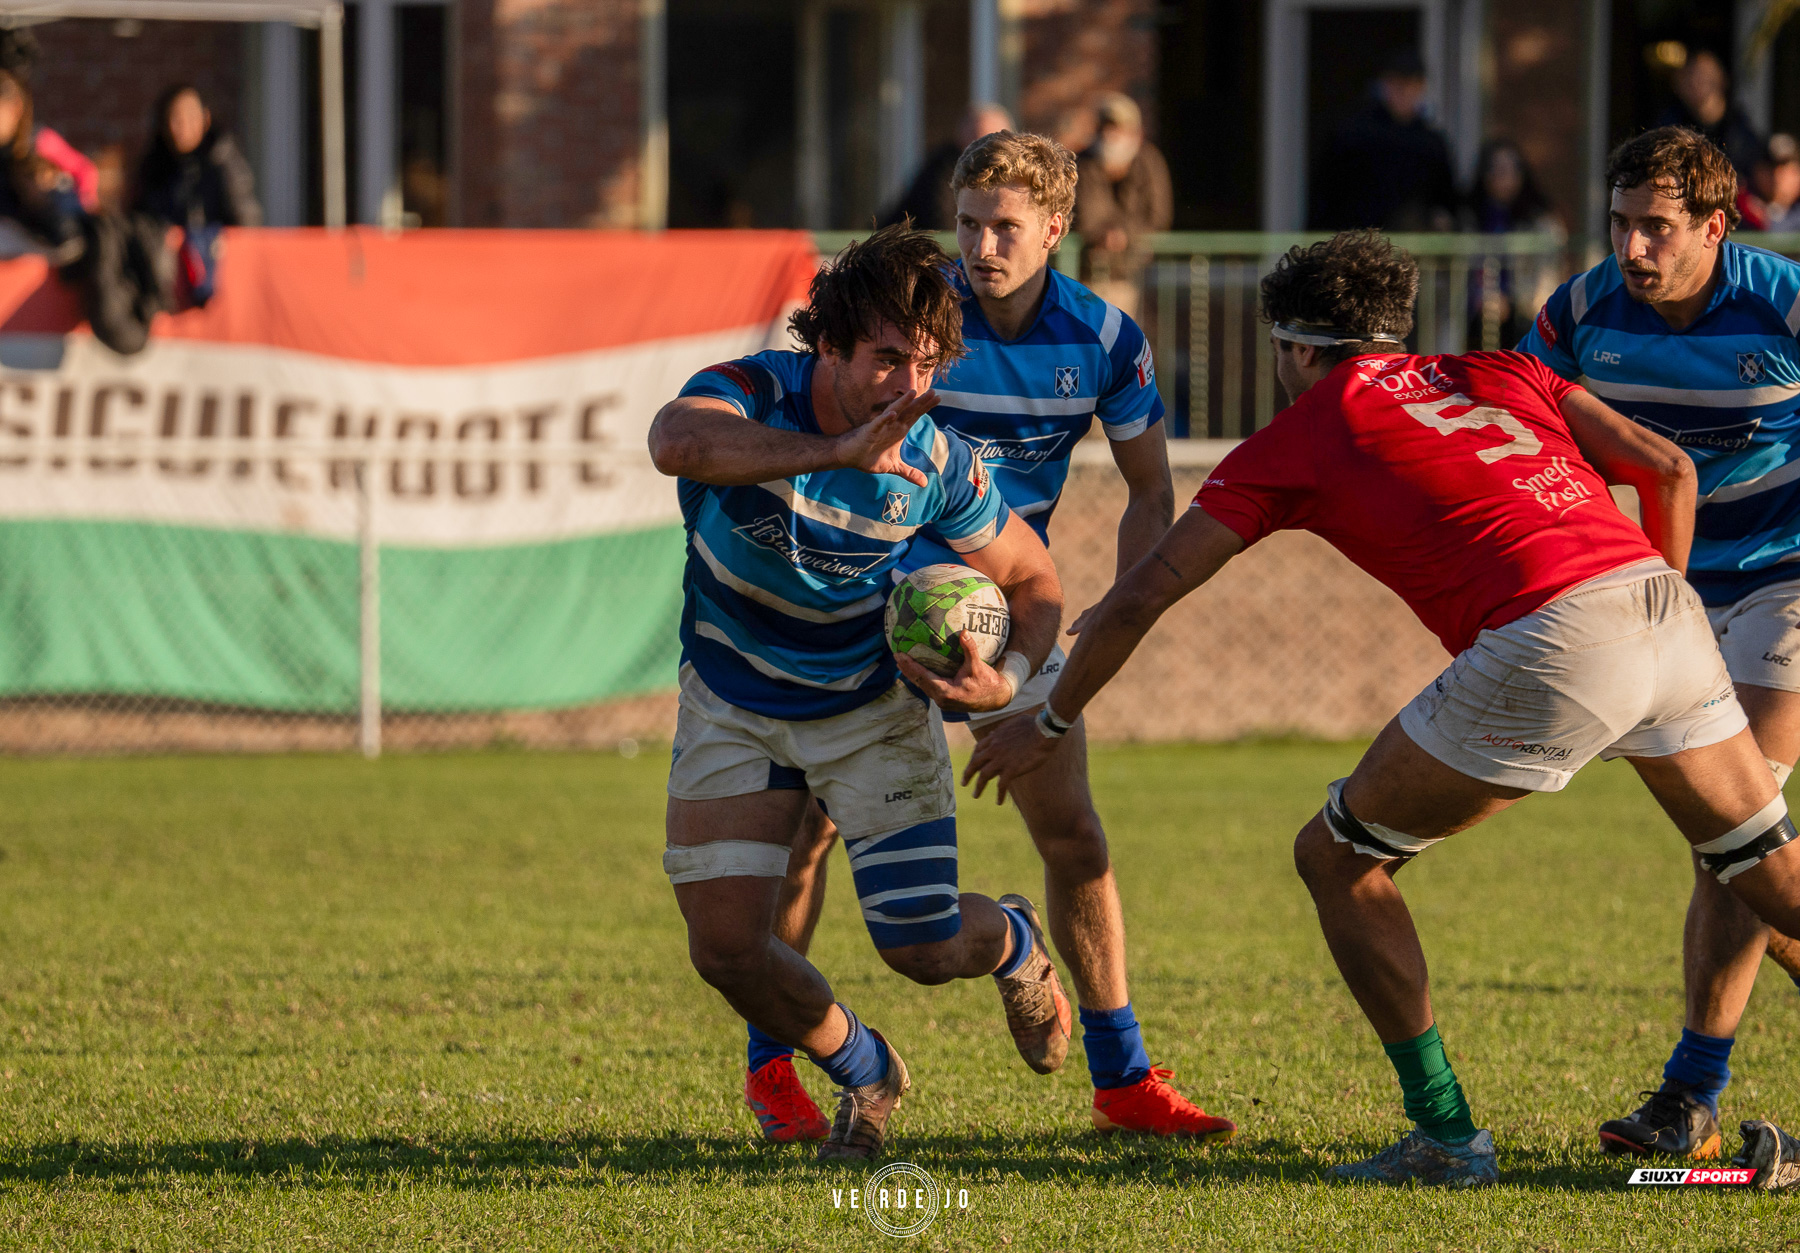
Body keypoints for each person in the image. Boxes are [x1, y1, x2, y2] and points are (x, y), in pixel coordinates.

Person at [968, 228, 1800, 1188]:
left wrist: (1054, 717)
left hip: (1557, 635)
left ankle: (1446, 1137)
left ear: (1300, 349)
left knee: (1336, 855)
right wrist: (1651, 614)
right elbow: (1667, 469)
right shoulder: (1497, 369)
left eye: (1281, 349)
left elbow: (1152, 586)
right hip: (1662, 600)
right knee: (1764, 876)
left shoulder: (1306, 428)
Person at [746, 130, 1237, 1145]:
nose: (980, 245)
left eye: (1004, 226)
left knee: (1075, 833)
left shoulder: (1105, 340)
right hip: (862, 607)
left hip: (1008, 612)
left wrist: (1120, 607)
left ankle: (1125, 1077)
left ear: (1057, 227)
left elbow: (1153, 493)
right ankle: (775, 1073)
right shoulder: (916, 320)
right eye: (966, 223)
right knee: (803, 836)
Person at [648, 224, 1072, 1162]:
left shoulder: (937, 463)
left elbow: (1035, 580)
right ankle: (867, 1067)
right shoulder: (754, 390)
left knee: (918, 947)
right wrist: (831, 451)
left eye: (927, 366)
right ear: (829, 344)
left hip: (867, 713)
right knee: (724, 950)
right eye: (888, 360)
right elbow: (675, 440)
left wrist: (1009, 678)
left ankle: (1010, 937)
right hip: (734, 700)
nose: (910, 388)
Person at [1517, 126, 1800, 1167]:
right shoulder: (1583, 313)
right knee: (1738, 847)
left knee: (1740, 825)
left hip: (1787, 578)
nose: (1634, 248)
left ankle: (1688, 1094)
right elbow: (1528, 441)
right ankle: (1691, 1096)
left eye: (1660, 229)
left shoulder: (1781, 301)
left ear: (1716, 229)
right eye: (1622, 223)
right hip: (1657, 596)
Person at [134, 84, 261, 308]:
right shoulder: (154, 168)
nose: (183, 127)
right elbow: (140, 219)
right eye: (175, 119)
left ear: (206, 118)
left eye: (191, 117)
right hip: (169, 290)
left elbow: (247, 218)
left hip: (220, 287)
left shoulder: (222, 160)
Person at [1308, 49, 1457, 232]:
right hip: (1357, 243)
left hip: (1411, 249)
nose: (1403, 91)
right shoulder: (1353, 135)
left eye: (1410, 84)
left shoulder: (1431, 144)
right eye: (1396, 84)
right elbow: (1325, 194)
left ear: (1421, 87)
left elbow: (1446, 203)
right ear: (1384, 84)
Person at [1075, 93, 1171, 318]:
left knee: (1126, 342)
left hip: (1134, 273)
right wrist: (1102, 233)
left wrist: (1125, 234)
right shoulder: (1082, 164)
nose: (1110, 136)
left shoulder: (1149, 162)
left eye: (1117, 128)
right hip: (1087, 273)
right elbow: (1082, 212)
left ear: (1134, 132)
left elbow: (1158, 216)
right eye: (1105, 128)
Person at [1461, 139, 1560, 348]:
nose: (1502, 177)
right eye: (1495, 169)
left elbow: (1545, 277)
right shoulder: (1470, 217)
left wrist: (1512, 302)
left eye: (1510, 169)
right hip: (1474, 315)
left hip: (1523, 314)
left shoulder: (1538, 220)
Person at [881, 102, 1014, 231]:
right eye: (976, 135)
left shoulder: (1009, 170)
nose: (982, 145)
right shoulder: (944, 167)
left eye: (991, 139)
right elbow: (940, 220)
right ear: (961, 135)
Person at [1658, 50, 1762, 184]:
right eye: (1689, 75)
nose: (1696, 82)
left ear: (1722, 78)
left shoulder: (1744, 138)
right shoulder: (1665, 130)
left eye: (1704, 75)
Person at [1737, 133, 1800, 232]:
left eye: (1785, 169)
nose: (1777, 177)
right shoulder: (1738, 210)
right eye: (1770, 168)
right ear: (1756, 171)